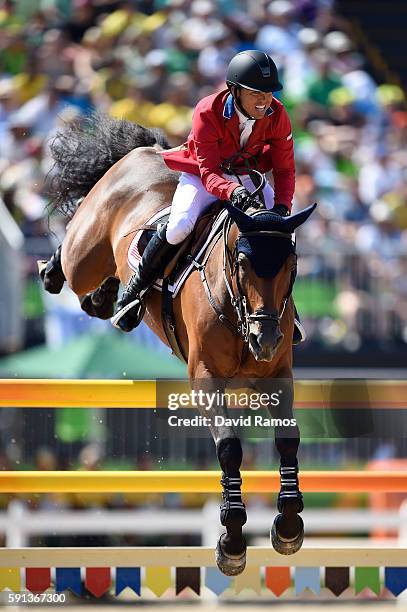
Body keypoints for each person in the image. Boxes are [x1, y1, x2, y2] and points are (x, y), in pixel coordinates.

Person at [112, 49, 305, 344]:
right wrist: (233, 192)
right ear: (235, 90)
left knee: (283, 235)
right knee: (179, 227)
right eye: (256, 93)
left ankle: (288, 310)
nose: (264, 100)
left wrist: (281, 206)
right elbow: (210, 172)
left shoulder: (277, 114)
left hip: (246, 175)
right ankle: (135, 291)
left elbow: (285, 169)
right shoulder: (208, 110)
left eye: (268, 92)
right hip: (203, 176)